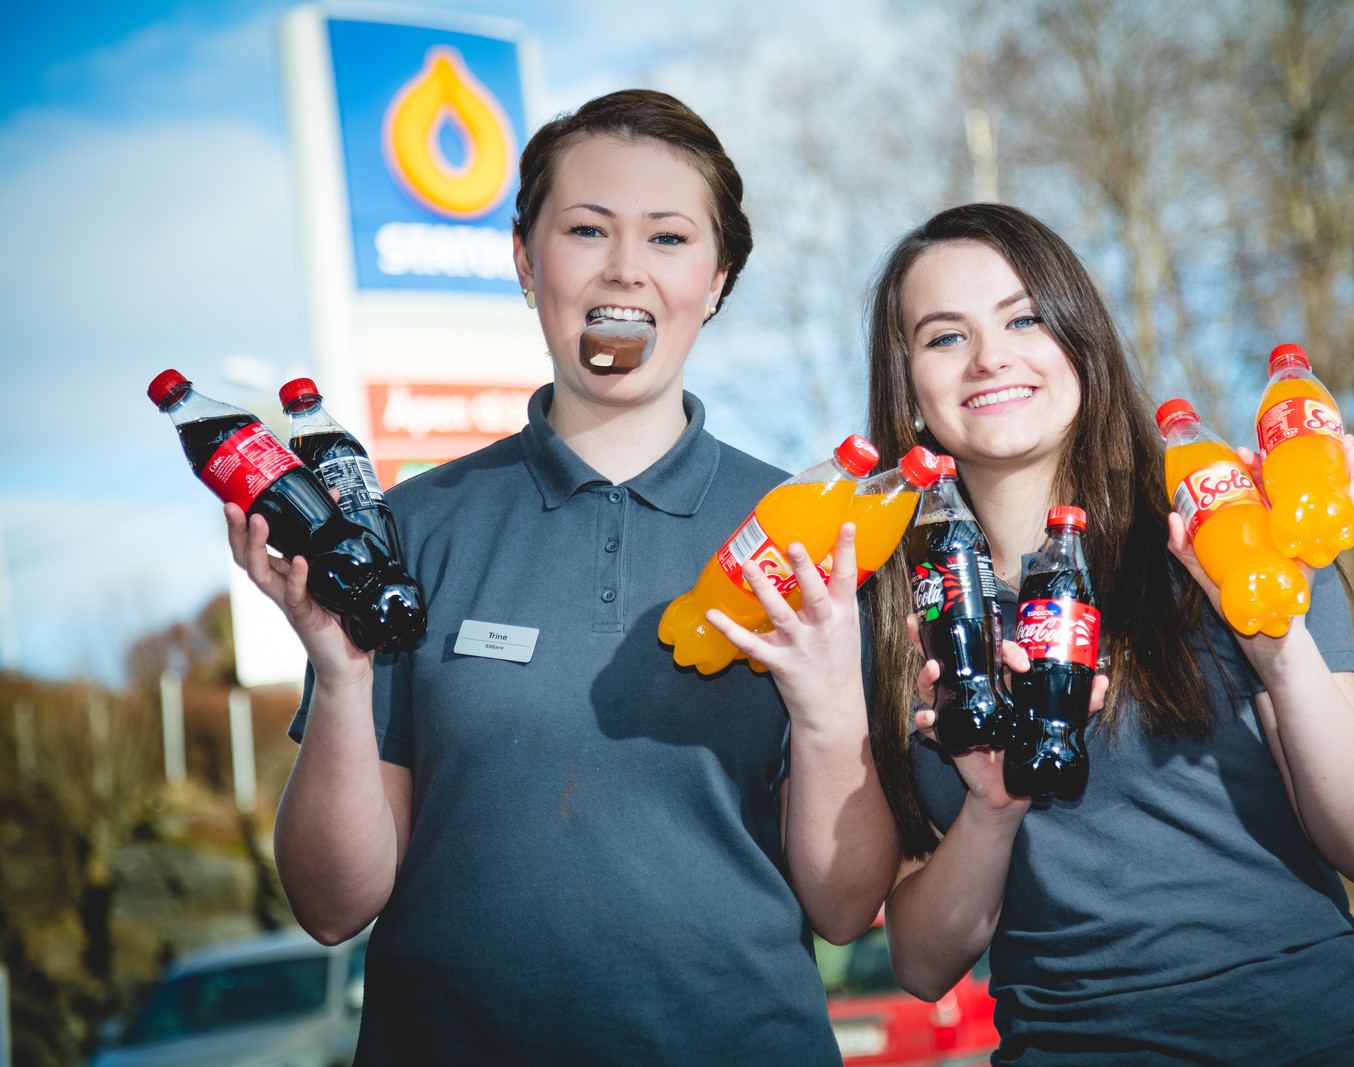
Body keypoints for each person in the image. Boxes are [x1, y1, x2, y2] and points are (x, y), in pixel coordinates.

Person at [226, 89, 897, 1064]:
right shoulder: (406, 532)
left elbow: (844, 908)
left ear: (715, 280)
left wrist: (831, 711)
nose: (625, 266)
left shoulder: (809, 536)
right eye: (587, 229)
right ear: (524, 260)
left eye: (669, 237)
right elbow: (332, 907)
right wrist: (339, 674)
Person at [858, 203, 1354, 1065]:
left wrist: (1277, 648)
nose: (989, 356)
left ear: (1081, 339)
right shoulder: (897, 612)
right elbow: (923, 965)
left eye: (1024, 319)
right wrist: (992, 810)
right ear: (909, 383)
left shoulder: (1221, 534)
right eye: (945, 336)